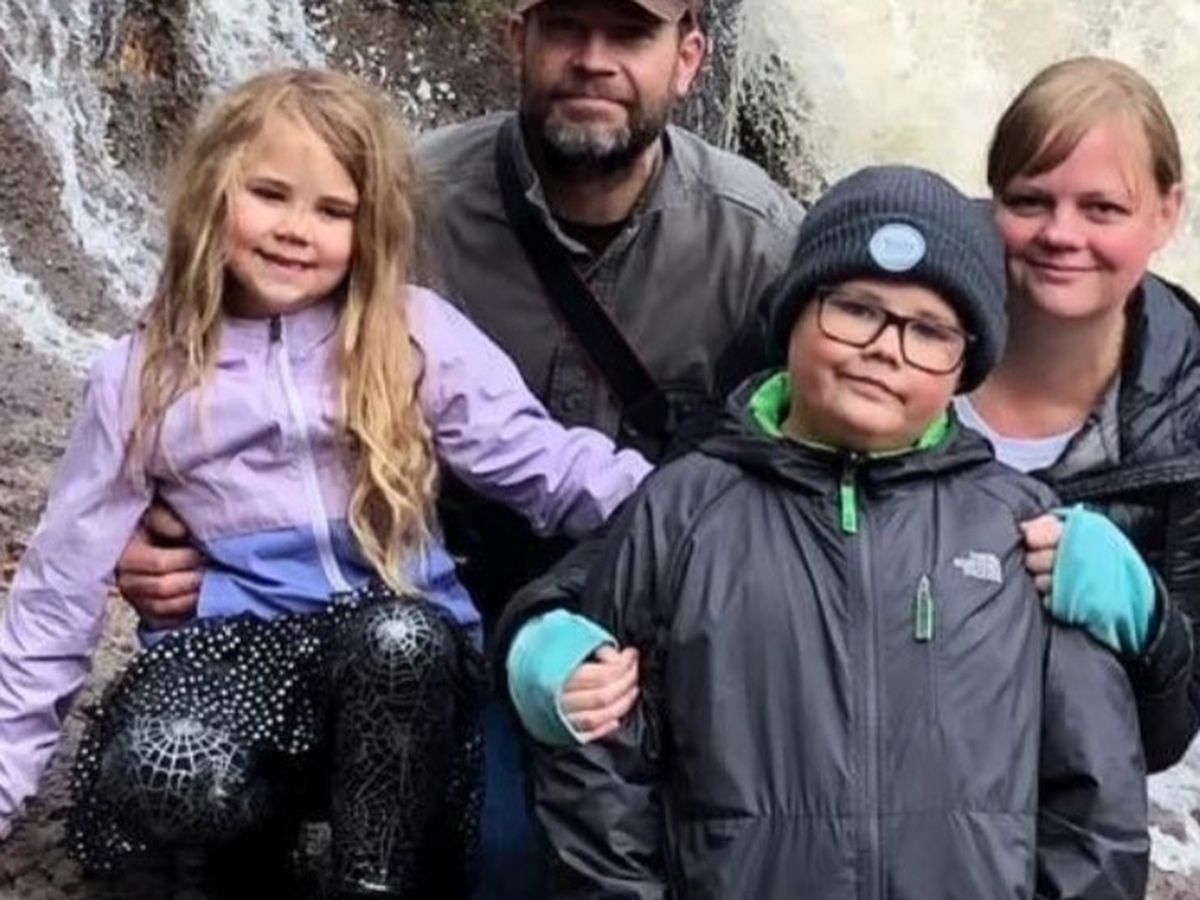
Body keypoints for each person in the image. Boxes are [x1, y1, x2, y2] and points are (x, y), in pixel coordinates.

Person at [113, 3, 805, 896]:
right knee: (494, 860)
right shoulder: (399, 199)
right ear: (519, 37)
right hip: (437, 614)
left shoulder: (760, 243)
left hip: (658, 608)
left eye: (631, 34)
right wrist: (156, 517)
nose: (593, 60)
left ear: (689, 57)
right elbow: (210, 357)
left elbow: (844, 430)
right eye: (567, 26)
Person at [0, 68, 651, 900]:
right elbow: (59, 588)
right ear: (211, 193)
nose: (295, 231)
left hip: (400, 658)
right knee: (169, 763)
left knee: (399, 641)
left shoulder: (410, 333)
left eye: (333, 211)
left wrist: (688, 501)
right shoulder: (141, 376)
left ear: (369, 227)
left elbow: (545, 464)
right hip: (232, 654)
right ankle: (248, 867)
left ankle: (375, 880)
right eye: (270, 194)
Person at [529, 165, 1149, 899]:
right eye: (855, 309)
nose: (885, 348)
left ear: (966, 365)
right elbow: (599, 776)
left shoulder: (1027, 533)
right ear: (793, 314)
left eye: (929, 331)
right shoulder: (683, 509)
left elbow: (1097, 801)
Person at [958, 56, 1200, 771]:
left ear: (1167, 212)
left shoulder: (1190, 424)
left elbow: (1170, 737)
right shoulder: (892, 330)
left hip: (1059, 800)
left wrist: (1149, 625)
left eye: (1102, 209)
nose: (1061, 234)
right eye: (1030, 201)